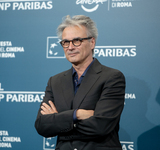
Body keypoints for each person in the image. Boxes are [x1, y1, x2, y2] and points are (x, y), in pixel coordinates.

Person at [35, 15, 125, 150]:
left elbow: (100, 126)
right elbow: (42, 125)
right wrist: (77, 115)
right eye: (65, 42)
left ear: (92, 42)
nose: (70, 47)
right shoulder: (55, 81)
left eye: (76, 41)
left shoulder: (112, 77)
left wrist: (59, 120)